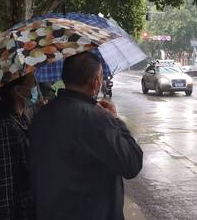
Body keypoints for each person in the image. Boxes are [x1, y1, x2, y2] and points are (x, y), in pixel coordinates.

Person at [30, 52, 143, 220]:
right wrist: (116, 121)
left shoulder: (42, 115)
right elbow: (132, 163)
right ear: (96, 82)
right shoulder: (97, 119)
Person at [0, 74, 38, 220]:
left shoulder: (18, 118)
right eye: (31, 83)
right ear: (18, 91)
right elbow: (0, 197)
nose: (35, 84)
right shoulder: (6, 128)